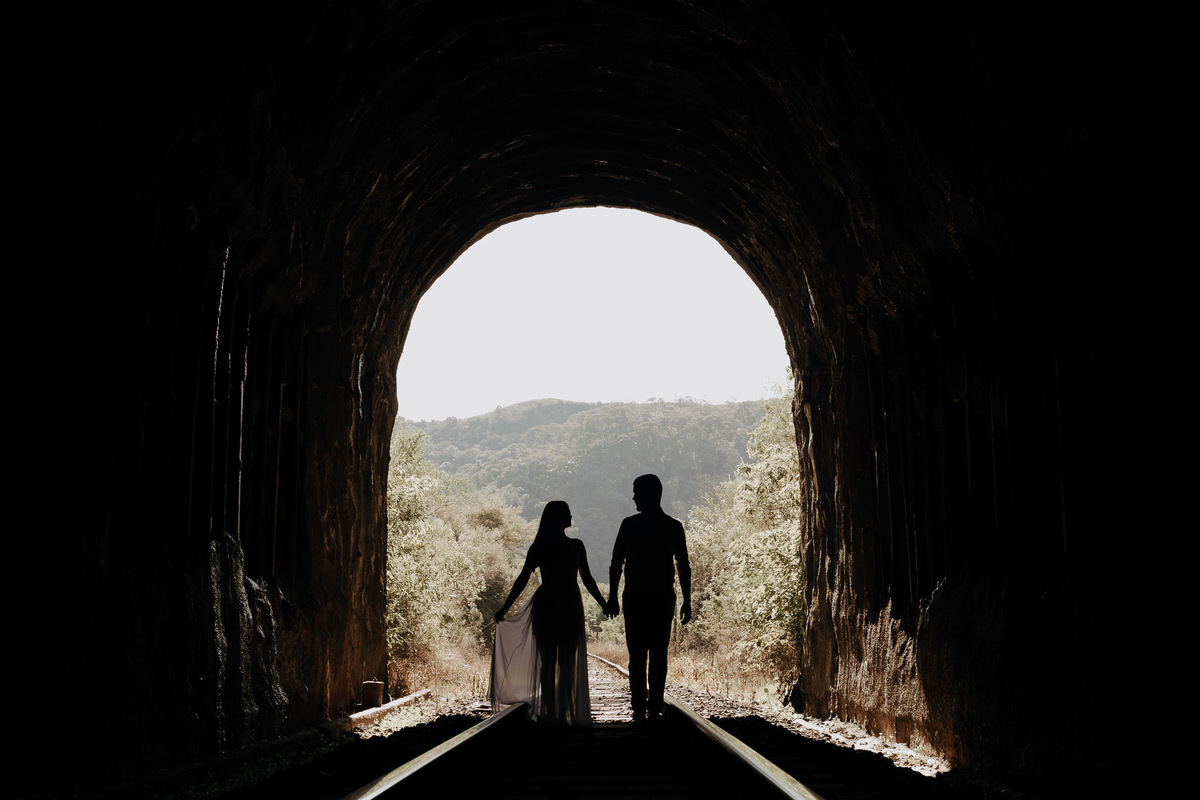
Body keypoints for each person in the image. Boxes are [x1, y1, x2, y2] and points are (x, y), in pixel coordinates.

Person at [490, 500, 608, 725]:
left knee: (547, 661)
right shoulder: (576, 546)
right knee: (565, 663)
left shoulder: (540, 547)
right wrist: (603, 603)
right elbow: (588, 579)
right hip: (569, 604)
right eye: (567, 513)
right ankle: (563, 713)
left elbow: (523, 578)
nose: (571, 516)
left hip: (546, 604)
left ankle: (551, 714)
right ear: (559, 518)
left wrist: (506, 607)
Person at [607, 474, 691, 721]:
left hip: (634, 597)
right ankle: (654, 704)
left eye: (637, 492)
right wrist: (687, 599)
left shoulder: (629, 525)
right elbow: (682, 565)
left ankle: (638, 705)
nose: (633, 497)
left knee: (637, 654)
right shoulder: (673, 526)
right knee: (658, 653)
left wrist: (612, 597)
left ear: (649, 494)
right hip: (663, 598)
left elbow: (616, 564)